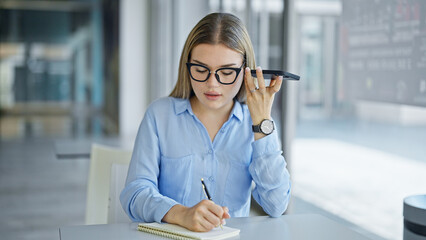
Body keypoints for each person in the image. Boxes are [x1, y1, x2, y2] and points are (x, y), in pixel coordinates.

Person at [120, 12, 291, 232]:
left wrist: (262, 123)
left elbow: (276, 205)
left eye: (227, 72)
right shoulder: (159, 116)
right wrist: (181, 214)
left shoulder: (255, 126)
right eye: (201, 70)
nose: (212, 84)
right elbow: (134, 193)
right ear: (187, 65)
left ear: (245, 72)